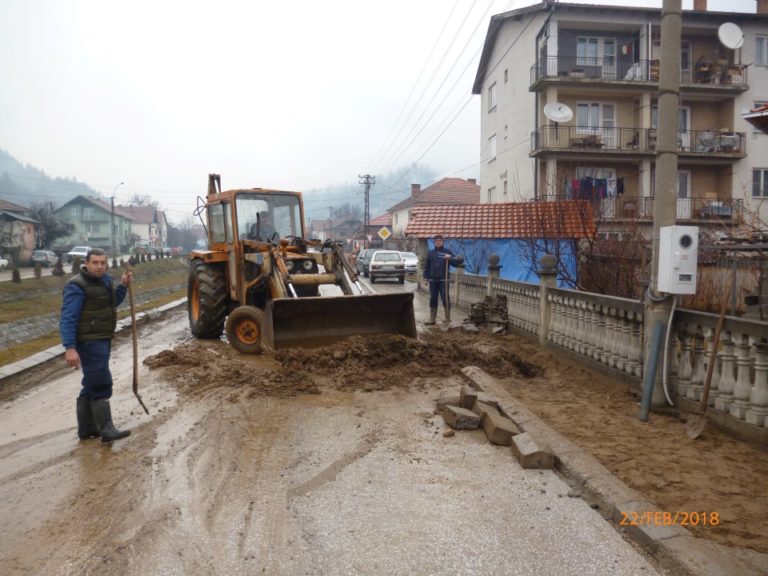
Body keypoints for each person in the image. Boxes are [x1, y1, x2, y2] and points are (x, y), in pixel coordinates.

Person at [59, 248, 133, 443]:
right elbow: (68, 318)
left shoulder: (107, 281)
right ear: (87, 264)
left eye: (103, 263)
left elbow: (111, 303)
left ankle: (87, 428)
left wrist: (123, 286)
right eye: (95, 263)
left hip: (103, 338)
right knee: (101, 381)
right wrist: (70, 348)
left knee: (90, 383)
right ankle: (106, 430)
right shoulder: (76, 286)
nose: (100, 266)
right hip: (88, 341)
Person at [423, 234, 462, 325]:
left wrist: (451, 258)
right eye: (436, 241)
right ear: (434, 243)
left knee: (445, 298)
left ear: (442, 242)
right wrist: (425, 277)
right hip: (433, 281)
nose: (438, 242)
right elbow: (427, 266)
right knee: (433, 299)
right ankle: (432, 319)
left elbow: (456, 263)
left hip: (443, 281)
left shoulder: (447, 252)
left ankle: (447, 318)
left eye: (440, 241)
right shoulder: (431, 253)